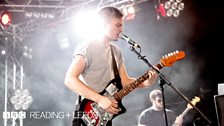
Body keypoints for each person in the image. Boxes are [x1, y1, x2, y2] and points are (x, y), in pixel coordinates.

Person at [64, 6, 158, 126]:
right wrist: (100, 99)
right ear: (103, 25)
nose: (121, 29)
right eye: (117, 25)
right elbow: (69, 79)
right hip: (88, 115)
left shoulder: (116, 51)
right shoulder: (88, 47)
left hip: (104, 117)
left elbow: (124, 81)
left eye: (122, 25)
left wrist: (146, 83)